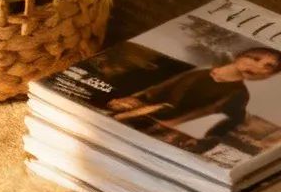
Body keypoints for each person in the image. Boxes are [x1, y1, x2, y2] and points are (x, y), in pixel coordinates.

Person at [107, 46, 281, 142]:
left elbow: (206, 116)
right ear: (240, 55)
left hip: (163, 124)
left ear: (269, 75)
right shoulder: (201, 71)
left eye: (269, 67)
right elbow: (160, 87)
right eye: (255, 58)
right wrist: (134, 99)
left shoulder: (239, 94)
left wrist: (169, 125)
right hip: (143, 106)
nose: (258, 67)